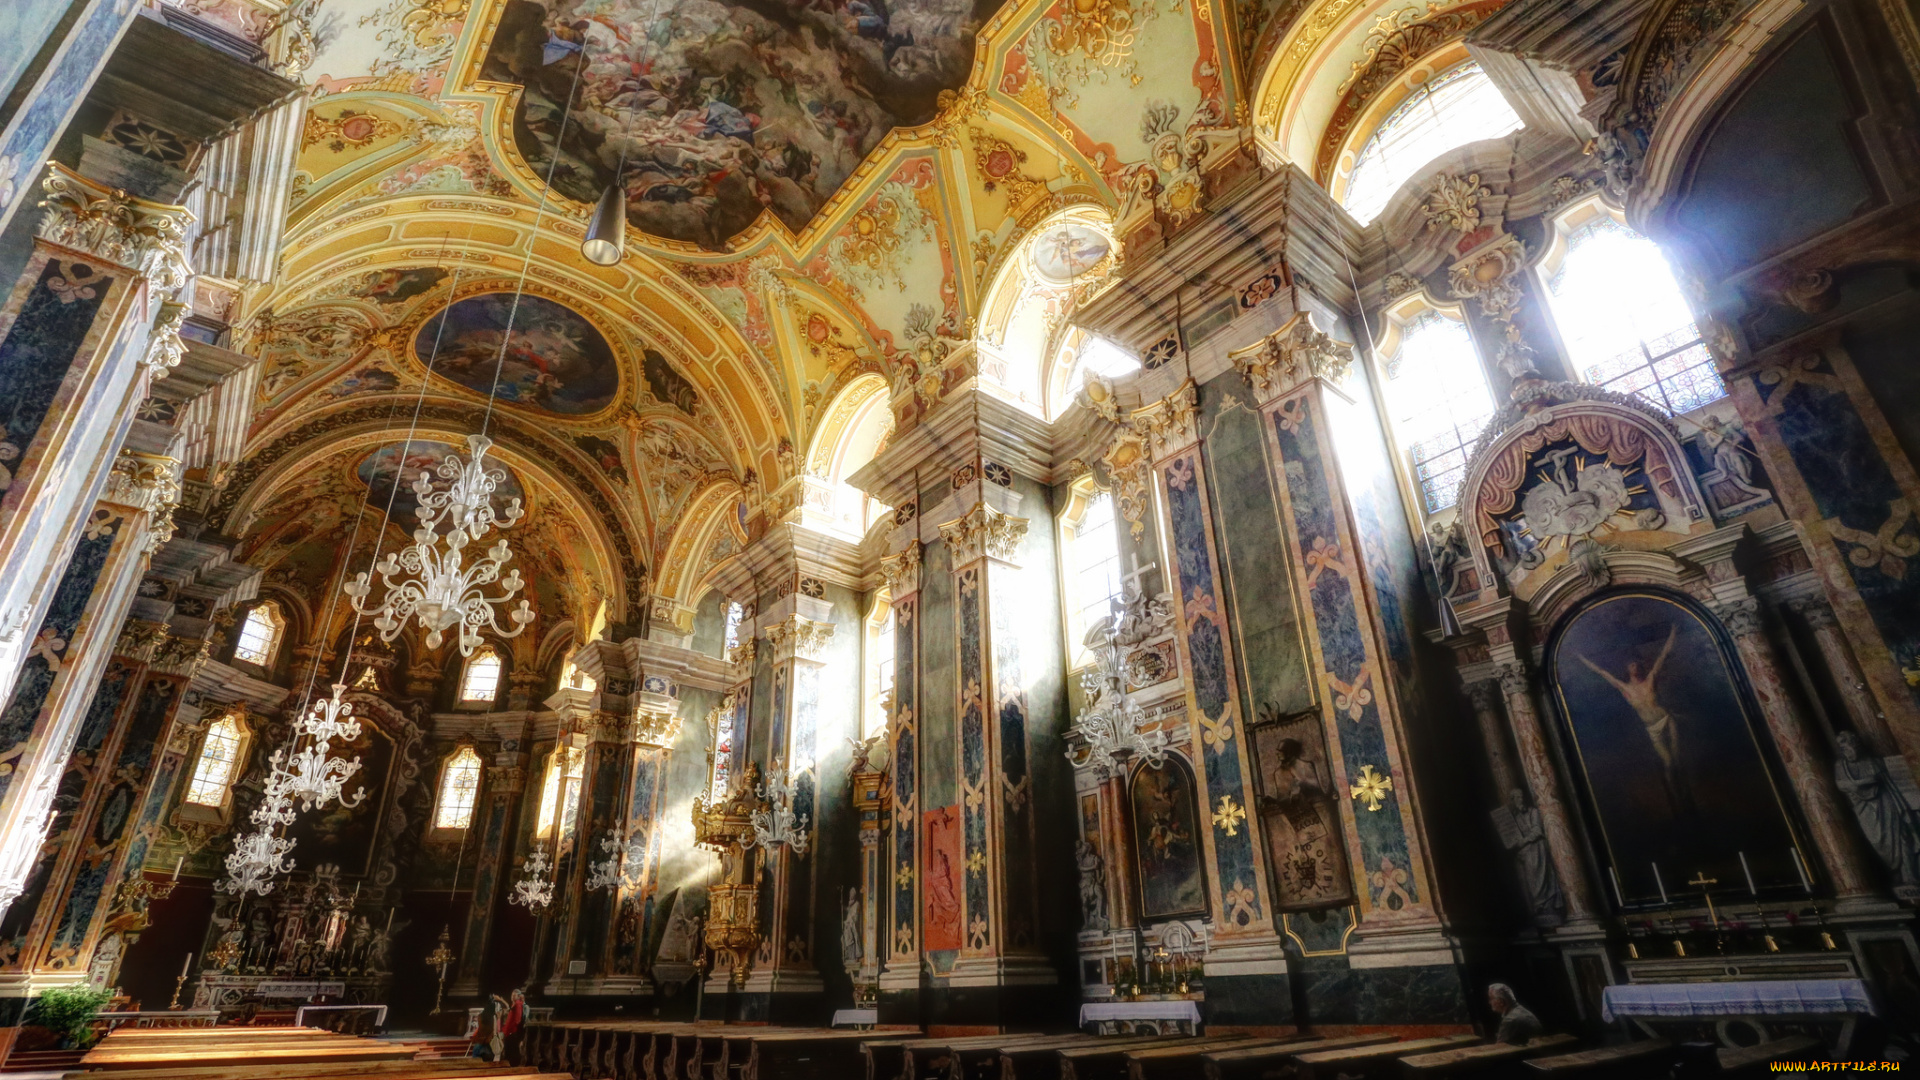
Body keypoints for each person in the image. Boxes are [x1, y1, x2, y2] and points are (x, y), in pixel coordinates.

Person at [500, 988, 527, 1064]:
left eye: (514, 995)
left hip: (512, 1031)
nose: (512, 996)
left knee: (511, 1049)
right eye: (512, 995)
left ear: (518, 996)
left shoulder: (518, 1004)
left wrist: (511, 1031)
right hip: (510, 1031)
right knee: (510, 1049)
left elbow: (517, 1019)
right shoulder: (515, 1004)